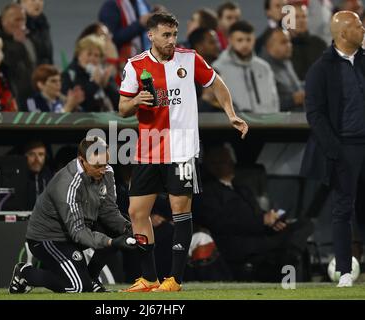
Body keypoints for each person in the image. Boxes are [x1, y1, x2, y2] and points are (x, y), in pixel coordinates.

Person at [118, 12, 248, 292]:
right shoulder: (135, 65)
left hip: (182, 149)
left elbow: (216, 82)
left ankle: (174, 279)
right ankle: (149, 278)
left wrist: (231, 114)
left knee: (180, 210)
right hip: (148, 148)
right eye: (166, 35)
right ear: (150, 35)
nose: (171, 41)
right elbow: (122, 108)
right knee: (137, 212)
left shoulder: (189, 59)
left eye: (174, 35)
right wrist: (137, 100)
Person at [9, 136, 137, 293]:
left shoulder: (106, 171)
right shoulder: (67, 183)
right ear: (82, 160)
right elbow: (78, 232)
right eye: (97, 166)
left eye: (105, 163)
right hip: (49, 238)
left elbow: (109, 210)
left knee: (119, 226)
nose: (103, 170)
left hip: (77, 230)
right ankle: (25, 273)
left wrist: (128, 228)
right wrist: (112, 243)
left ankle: (91, 277)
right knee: (78, 287)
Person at [300, 11, 365, 287]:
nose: (363, 30)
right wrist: (334, 149)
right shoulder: (321, 69)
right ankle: (345, 271)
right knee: (343, 209)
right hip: (345, 147)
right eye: (358, 26)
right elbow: (314, 113)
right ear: (342, 33)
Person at [193, 146, 314, 282]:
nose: (221, 166)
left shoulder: (242, 188)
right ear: (208, 166)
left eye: (224, 161)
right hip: (238, 242)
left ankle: (291, 253)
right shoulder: (207, 192)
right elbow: (221, 222)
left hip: (261, 233)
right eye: (216, 163)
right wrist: (262, 221)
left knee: (304, 224)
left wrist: (272, 221)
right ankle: (290, 255)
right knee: (289, 243)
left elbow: (256, 212)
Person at [213, 20, 279, 113]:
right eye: (239, 40)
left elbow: (274, 99)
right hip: (235, 125)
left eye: (248, 39)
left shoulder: (264, 67)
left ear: (254, 39)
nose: (245, 44)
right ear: (230, 40)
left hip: (268, 123)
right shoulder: (218, 68)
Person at [0, 3, 35, 110]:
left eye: (23, 19)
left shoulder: (27, 39)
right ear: (4, 21)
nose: (21, 24)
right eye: (17, 20)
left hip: (29, 98)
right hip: (8, 102)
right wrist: (18, 44)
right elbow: (5, 64)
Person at [62, 35, 119, 112]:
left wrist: (107, 85)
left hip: (108, 121)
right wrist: (95, 84)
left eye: (96, 55)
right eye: (89, 54)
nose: (92, 58)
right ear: (79, 55)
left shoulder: (102, 73)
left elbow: (119, 104)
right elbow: (83, 105)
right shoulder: (69, 75)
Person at [261, 28, 305, 112]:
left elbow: (296, 86)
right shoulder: (262, 69)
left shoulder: (286, 61)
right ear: (269, 45)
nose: (289, 45)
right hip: (280, 122)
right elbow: (263, 105)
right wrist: (293, 100)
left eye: (289, 41)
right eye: (284, 42)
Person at [289, 3, 327, 81]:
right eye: (296, 17)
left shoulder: (320, 44)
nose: (301, 20)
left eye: (304, 16)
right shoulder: (283, 47)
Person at [18, 0, 54, 65]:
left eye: (40, 0)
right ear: (22, 2)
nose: (38, 2)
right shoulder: (15, 24)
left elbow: (47, 55)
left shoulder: (42, 22)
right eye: (33, 0)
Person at [24, 140, 53, 211]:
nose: (37, 159)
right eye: (32, 154)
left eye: (41, 154)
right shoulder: (18, 179)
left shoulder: (52, 179)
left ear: (46, 157)